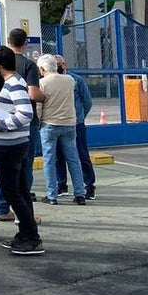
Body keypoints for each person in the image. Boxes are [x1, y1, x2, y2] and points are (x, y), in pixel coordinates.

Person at [0, 46, 43, 256]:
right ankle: (26, 233)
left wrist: (1, 124)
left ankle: (31, 236)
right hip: (12, 144)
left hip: (11, 145)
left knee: (12, 192)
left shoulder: (13, 84)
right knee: (19, 191)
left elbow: (26, 113)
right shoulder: (14, 82)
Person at [0, 28, 43, 220]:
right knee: (23, 174)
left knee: (8, 177)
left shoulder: (3, 75)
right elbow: (32, 95)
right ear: (25, 43)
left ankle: (2, 207)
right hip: (20, 130)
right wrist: (44, 96)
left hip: (5, 130)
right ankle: (24, 218)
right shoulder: (28, 66)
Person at [36, 55, 85, 205]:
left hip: (49, 124)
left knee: (49, 160)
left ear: (43, 69)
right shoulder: (70, 80)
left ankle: (52, 195)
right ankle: (79, 194)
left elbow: (39, 105)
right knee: (73, 160)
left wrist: (38, 122)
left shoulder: (42, 83)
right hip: (69, 123)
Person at [57, 56, 96, 199]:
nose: (58, 67)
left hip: (76, 124)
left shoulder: (76, 80)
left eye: (59, 64)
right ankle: (61, 185)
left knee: (82, 155)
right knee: (58, 156)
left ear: (65, 64)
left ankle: (89, 186)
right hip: (58, 122)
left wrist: (79, 118)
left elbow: (87, 101)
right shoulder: (49, 81)